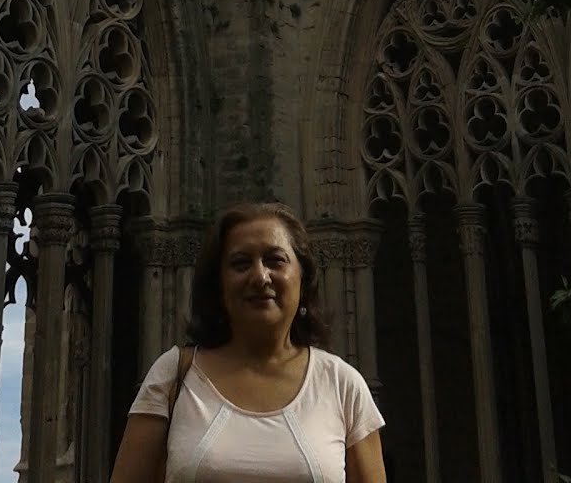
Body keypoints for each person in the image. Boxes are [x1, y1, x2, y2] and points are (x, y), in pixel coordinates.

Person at [108, 201, 386, 483]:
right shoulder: (174, 375)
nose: (260, 276)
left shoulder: (341, 385)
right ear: (219, 284)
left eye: (275, 260)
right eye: (241, 264)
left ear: (303, 277)